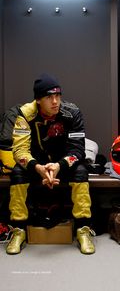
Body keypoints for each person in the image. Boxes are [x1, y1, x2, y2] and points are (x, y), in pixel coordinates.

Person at [6, 73, 95, 255]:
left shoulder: (72, 113)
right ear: (38, 99)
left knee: (81, 171)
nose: (55, 101)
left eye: (58, 96)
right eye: (49, 97)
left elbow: (77, 151)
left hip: (63, 164)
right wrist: (38, 168)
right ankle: (18, 229)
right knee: (17, 173)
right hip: (36, 164)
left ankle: (83, 229)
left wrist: (58, 166)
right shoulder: (24, 114)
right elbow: (20, 151)